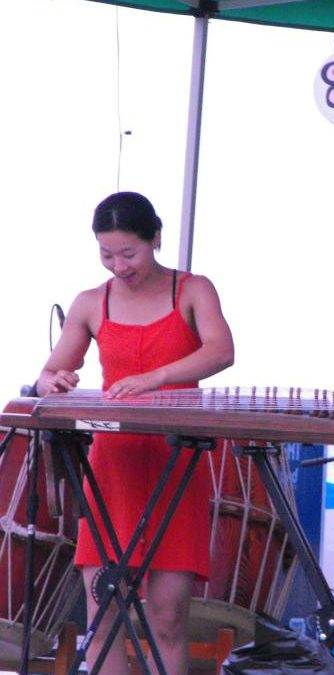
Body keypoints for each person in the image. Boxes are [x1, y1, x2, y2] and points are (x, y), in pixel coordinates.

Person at [35, 191, 234, 674]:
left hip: (176, 460)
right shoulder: (91, 302)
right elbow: (48, 373)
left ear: (156, 238)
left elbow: (221, 350)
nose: (119, 266)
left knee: (167, 618)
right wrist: (53, 382)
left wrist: (156, 377)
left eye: (129, 253)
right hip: (112, 467)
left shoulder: (192, 290)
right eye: (107, 254)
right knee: (104, 615)